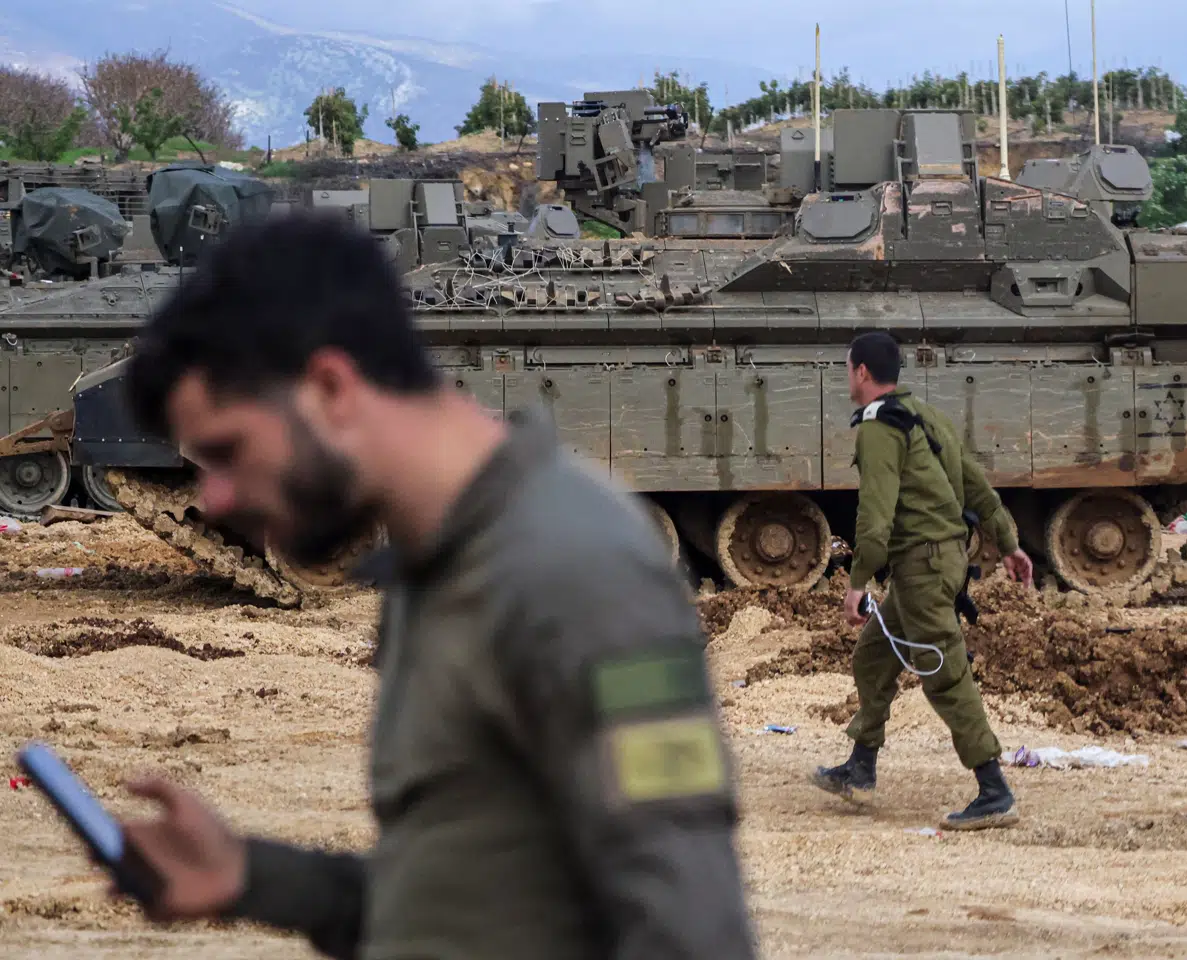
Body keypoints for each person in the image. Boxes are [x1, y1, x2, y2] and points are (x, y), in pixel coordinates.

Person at [112, 211, 757, 959]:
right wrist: (254, 877)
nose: (215, 497)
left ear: (330, 387)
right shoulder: (444, 565)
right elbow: (467, 905)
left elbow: (692, 932)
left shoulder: (573, 569)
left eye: (228, 450)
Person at [812, 330, 1034, 831]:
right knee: (873, 656)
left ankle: (994, 789)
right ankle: (860, 766)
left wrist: (856, 582)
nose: (848, 377)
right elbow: (974, 482)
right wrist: (1010, 542)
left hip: (922, 566)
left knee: (946, 673)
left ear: (861, 373)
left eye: (849, 369)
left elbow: (875, 516)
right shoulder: (924, 415)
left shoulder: (878, 429)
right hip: (938, 561)